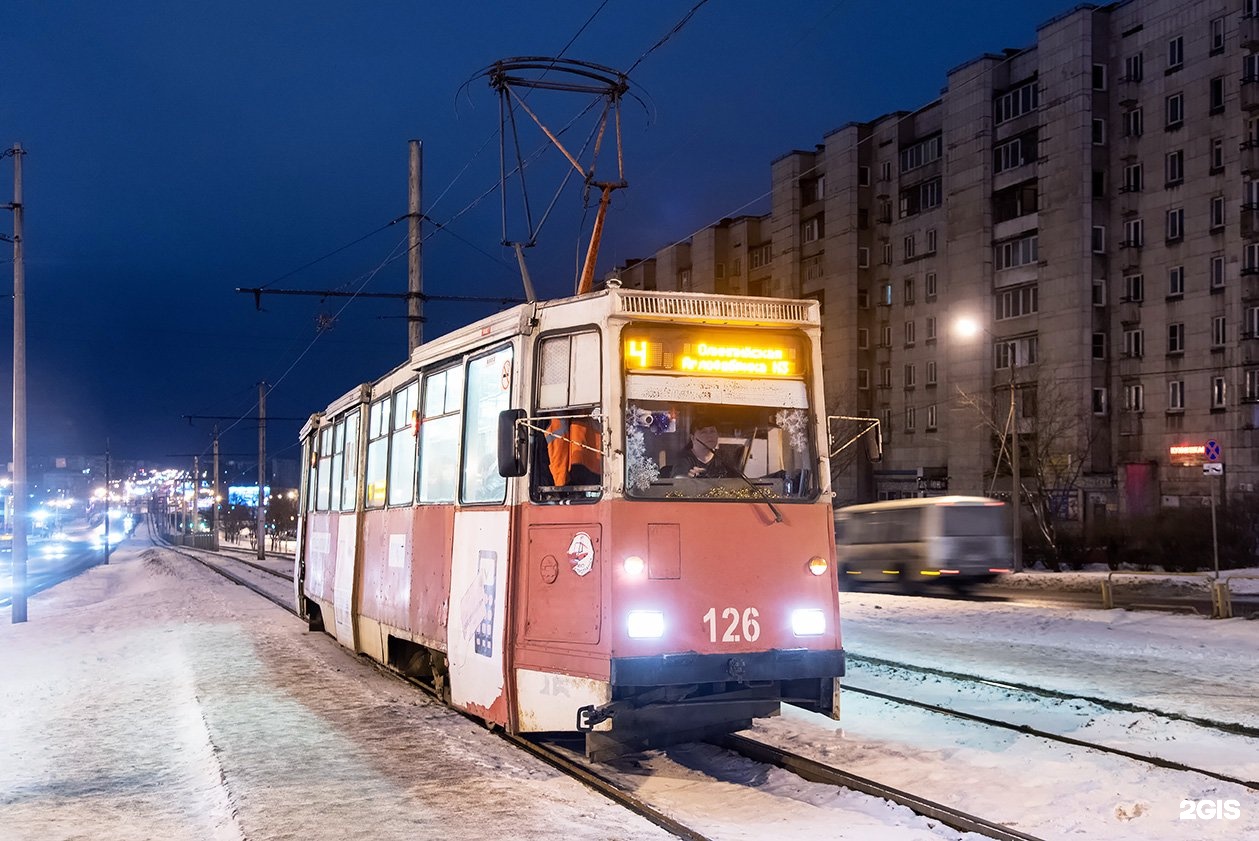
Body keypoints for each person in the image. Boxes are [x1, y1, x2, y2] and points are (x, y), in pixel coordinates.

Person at [665, 414, 733, 478]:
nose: (709, 435)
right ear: (693, 438)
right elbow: (677, 483)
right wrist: (687, 478)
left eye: (712, 431)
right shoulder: (684, 459)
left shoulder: (724, 458)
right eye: (703, 432)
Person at [545, 416, 602, 486]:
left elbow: (559, 453)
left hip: (577, 469)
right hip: (594, 469)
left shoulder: (557, 419)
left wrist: (560, 482)